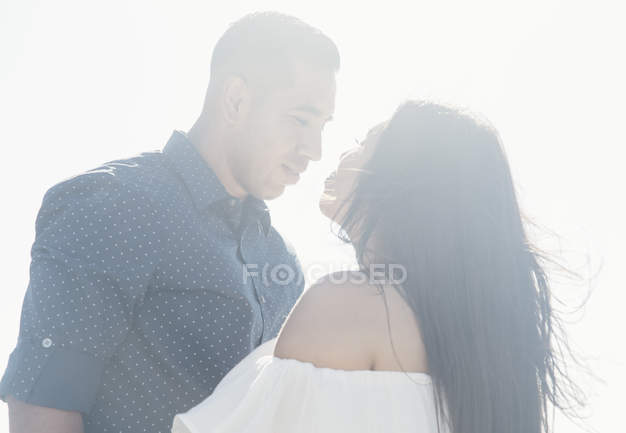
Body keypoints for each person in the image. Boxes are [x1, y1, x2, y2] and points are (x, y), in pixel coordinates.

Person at [0, 12, 338, 433]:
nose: (315, 148)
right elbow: (42, 407)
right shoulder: (115, 206)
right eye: (300, 119)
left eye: (323, 125)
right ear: (235, 100)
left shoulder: (280, 259)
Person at [172, 101, 584, 433]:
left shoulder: (349, 304)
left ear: (407, 180)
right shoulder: (481, 349)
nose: (340, 153)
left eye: (364, 142)